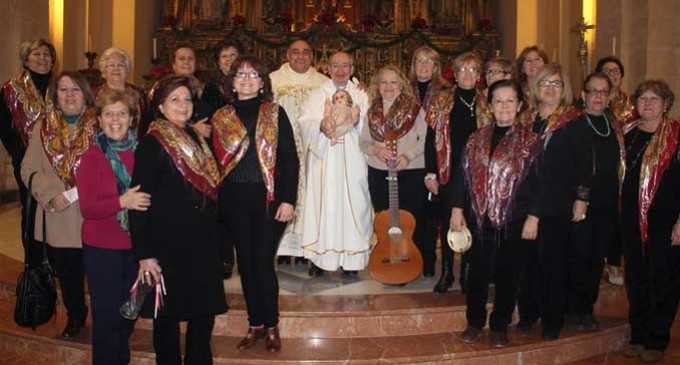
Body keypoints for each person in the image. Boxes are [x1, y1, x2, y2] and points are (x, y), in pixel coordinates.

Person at [129, 75, 227, 364]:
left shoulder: (197, 136)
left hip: (203, 242)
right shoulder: (152, 142)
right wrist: (144, 255)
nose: (183, 105)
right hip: (168, 245)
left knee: (203, 315)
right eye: (175, 99)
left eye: (187, 99)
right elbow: (138, 202)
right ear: (161, 105)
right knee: (166, 319)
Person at [212, 55, 299, 352]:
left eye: (253, 74)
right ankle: (255, 324)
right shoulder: (221, 116)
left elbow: (290, 159)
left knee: (262, 261)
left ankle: (272, 324)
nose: (247, 78)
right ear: (232, 81)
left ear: (263, 82)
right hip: (234, 200)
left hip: (269, 200)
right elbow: (213, 163)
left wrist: (288, 199)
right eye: (241, 74)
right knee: (246, 264)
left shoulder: (275, 113)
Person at [453, 79, 540, 348]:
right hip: (479, 219)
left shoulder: (531, 141)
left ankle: (500, 325)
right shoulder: (475, 138)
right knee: (476, 274)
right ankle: (475, 322)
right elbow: (462, 177)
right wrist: (457, 209)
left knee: (508, 275)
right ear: (490, 105)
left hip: (514, 220)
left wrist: (533, 217)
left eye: (510, 100)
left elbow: (541, 182)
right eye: (498, 101)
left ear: (520, 105)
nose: (504, 106)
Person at [75, 88, 150, 364]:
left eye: (121, 113)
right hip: (102, 248)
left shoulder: (145, 152)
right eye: (109, 114)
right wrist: (122, 201)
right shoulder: (91, 156)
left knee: (129, 314)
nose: (115, 120)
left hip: (137, 249)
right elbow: (88, 208)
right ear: (100, 120)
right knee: (106, 318)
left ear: (132, 118)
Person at [21, 71, 97, 339]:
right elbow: (28, 167)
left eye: (75, 89)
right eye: (63, 90)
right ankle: (76, 315)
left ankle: (107, 318)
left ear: (86, 94)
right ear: (55, 96)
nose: (69, 95)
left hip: (95, 215)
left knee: (101, 273)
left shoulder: (100, 125)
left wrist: (79, 192)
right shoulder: (43, 128)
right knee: (68, 274)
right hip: (59, 215)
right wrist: (51, 193)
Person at [546, 72, 624, 332]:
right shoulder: (573, 124)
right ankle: (572, 309)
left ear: (610, 95)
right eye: (593, 91)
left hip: (607, 204)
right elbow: (571, 167)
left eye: (603, 92)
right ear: (584, 95)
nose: (598, 96)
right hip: (581, 203)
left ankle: (586, 308)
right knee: (578, 256)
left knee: (596, 259)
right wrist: (580, 197)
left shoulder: (613, 125)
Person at [517, 63, 582, 340]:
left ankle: (552, 320)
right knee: (527, 263)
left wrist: (582, 198)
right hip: (524, 200)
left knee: (552, 264)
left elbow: (581, 166)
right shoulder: (526, 119)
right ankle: (529, 313)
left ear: (564, 88)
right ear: (535, 87)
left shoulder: (573, 120)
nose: (550, 88)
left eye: (556, 83)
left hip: (556, 202)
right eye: (545, 83)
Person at [620, 80, 680, 364]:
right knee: (636, 279)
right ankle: (638, 334)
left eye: (655, 98)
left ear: (666, 103)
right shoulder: (628, 132)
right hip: (630, 219)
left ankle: (656, 339)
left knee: (663, 279)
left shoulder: (677, 135)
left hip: (665, 221)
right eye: (643, 97)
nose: (648, 103)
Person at [298, 51, 373, 276]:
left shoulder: (361, 94)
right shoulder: (317, 94)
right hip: (325, 159)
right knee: (325, 205)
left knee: (356, 204)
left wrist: (357, 121)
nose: (340, 70)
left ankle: (353, 261)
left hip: (354, 158)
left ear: (352, 69)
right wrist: (322, 125)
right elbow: (304, 122)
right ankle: (321, 260)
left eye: (345, 66)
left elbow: (371, 125)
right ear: (327, 69)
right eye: (335, 66)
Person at [424, 51, 490, 293]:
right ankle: (447, 273)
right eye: (463, 69)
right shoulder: (442, 100)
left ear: (479, 75)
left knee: (473, 221)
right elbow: (432, 140)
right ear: (455, 73)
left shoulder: (487, 102)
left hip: (477, 173)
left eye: (473, 70)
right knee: (448, 220)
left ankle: (467, 273)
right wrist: (430, 173)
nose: (468, 75)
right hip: (448, 169)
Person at [360, 65, 427, 277]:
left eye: (393, 82)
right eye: (384, 82)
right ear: (377, 86)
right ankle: (387, 259)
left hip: (410, 170)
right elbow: (362, 142)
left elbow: (426, 139)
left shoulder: (415, 108)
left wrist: (407, 156)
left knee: (410, 220)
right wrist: (376, 149)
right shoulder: (371, 112)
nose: (389, 87)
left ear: (402, 86)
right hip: (379, 171)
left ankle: (409, 262)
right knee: (385, 220)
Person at [270, 39, 329, 264]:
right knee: (285, 193)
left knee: (311, 196)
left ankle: (307, 249)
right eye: (296, 52)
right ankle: (283, 249)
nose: (301, 56)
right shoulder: (274, 80)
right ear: (288, 55)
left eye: (305, 52)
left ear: (312, 56)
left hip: (313, 151)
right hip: (282, 150)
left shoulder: (323, 82)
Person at [1, 38, 55, 249]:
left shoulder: (62, 86)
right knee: (32, 210)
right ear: (26, 59)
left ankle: (53, 258)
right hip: (27, 162)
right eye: (36, 54)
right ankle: (34, 264)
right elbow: (4, 127)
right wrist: (20, 155)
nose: (42, 58)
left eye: (47, 54)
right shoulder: (11, 89)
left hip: (59, 161)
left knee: (56, 207)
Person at [197, 38, 244, 279]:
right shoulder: (212, 87)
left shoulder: (249, 82)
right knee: (222, 208)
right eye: (224, 56)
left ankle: (247, 256)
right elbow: (205, 120)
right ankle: (225, 257)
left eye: (233, 55)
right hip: (220, 154)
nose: (229, 60)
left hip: (246, 155)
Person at [408, 45, 448, 276]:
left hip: (434, 159)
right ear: (413, 65)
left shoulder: (445, 92)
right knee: (412, 212)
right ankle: (411, 260)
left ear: (436, 66)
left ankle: (429, 260)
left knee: (431, 214)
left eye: (428, 61)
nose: (423, 66)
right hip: (410, 161)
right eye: (419, 61)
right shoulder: (404, 90)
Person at [594, 55, 634, 286]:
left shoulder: (633, 104)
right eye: (607, 71)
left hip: (628, 167)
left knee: (620, 217)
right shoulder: (596, 103)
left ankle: (615, 262)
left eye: (616, 71)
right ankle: (599, 261)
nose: (612, 75)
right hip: (603, 168)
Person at [93, 47, 148, 134]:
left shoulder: (139, 95)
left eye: (121, 65)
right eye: (111, 65)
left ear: (127, 70)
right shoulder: (94, 94)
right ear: (104, 70)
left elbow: (146, 124)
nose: (116, 69)